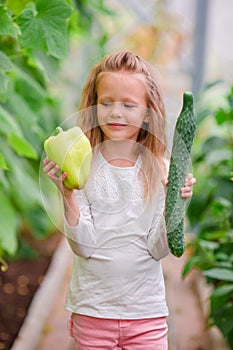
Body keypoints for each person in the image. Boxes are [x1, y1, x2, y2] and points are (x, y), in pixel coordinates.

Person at [43, 51, 196, 350]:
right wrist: (68, 194)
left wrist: (176, 202)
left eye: (129, 105)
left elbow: (158, 248)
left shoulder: (161, 170)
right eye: (106, 103)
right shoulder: (83, 164)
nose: (116, 113)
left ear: (148, 113)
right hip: (93, 311)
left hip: (146, 315)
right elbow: (83, 246)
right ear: (93, 106)